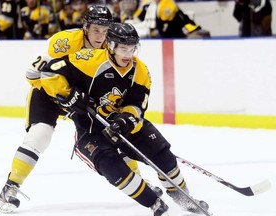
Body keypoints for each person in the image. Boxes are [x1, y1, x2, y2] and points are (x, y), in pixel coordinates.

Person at [39, 22, 210, 215]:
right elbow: (49, 70)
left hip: (124, 127)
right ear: (111, 46)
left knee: (164, 157)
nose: (128, 54)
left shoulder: (140, 70)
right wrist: (69, 96)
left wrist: (126, 119)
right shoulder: (89, 60)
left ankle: (183, 197)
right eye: (123, 48)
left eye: (132, 48)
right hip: (91, 131)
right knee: (113, 168)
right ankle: (154, 204)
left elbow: (138, 104)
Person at [0, 5, 113, 213]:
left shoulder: (110, 49)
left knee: (110, 136)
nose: (100, 36)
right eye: (96, 29)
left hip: (81, 100)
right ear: (85, 27)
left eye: (105, 31)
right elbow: (32, 74)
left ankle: (137, 181)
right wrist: (63, 94)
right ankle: (10, 187)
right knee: (40, 135)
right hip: (47, 93)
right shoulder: (64, 42)